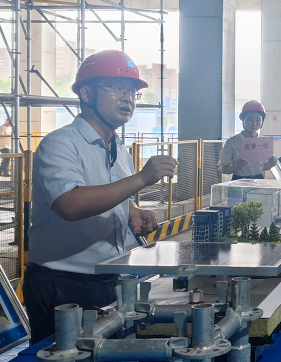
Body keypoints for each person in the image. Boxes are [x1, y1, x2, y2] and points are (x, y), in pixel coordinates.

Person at [23, 50, 177, 344]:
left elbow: (113, 193)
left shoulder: (119, 150)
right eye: (118, 88)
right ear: (86, 93)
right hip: (62, 284)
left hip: (108, 279)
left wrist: (132, 210)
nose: (128, 98)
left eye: (132, 92)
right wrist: (142, 178)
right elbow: (70, 204)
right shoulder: (60, 144)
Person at [219, 100, 278, 180]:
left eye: (258, 120)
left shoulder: (264, 142)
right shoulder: (232, 142)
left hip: (258, 179)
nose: (254, 123)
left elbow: (265, 167)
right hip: (239, 180)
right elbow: (223, 169)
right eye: (250, 119)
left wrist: (271, 164)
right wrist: (235, 167)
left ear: (262, 121)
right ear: (243, 120)